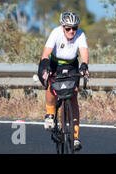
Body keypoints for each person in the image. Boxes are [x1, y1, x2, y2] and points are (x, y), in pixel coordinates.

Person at [38, 11, 89, 151]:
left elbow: (84, 52)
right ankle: (50, 114)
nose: (72, 31)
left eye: (74, 28)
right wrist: (46, 68)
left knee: (73, 95)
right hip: (53, 63)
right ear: (62, 27)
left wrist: (84, 65)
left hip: (71, 65)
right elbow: (45, 53)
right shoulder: (55, 33)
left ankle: (75, 137)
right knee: (51, 85)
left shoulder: (80, 34)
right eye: (68, 28)